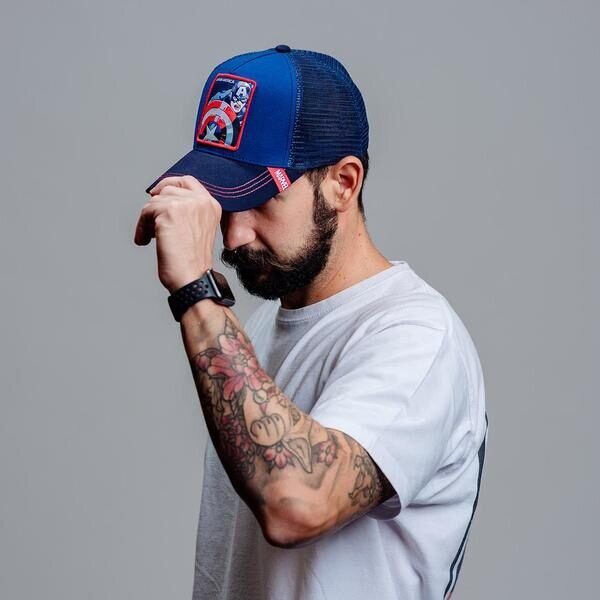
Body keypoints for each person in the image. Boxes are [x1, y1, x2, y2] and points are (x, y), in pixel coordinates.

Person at [135, 45, 489, 600]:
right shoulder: (255, 328)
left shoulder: (416, 337)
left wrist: (197, 291)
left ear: (343, 182)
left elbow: (297, 503)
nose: (234, 236)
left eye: (261, 200)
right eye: (225, 201)